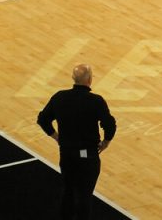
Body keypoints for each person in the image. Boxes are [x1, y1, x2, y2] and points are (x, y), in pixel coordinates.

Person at [36, 64, 116, 220]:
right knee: (84, 197)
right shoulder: (96, 101)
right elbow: (110, 124)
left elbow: (42, 119)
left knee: (68, 193)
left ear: (74, 79)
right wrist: (106, 142)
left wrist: (56, 137)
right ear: (89, 79)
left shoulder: (59, 97)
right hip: (88, 157)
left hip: (66, 155)